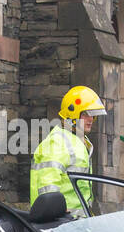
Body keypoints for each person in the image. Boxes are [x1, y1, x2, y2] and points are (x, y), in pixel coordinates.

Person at [30, 85, 105, 217]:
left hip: (76, 223)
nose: (91, 119)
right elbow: (48, 182)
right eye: (86, 114)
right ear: (72, 114)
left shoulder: (79, 141)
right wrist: (55, 213)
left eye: (93, 115)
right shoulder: (58, 141)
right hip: (59, 223)